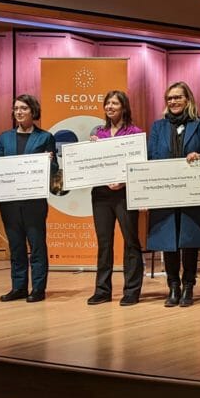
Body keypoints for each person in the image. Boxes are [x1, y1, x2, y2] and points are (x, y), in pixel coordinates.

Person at [147, 81, 200, 307]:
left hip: (192, 192)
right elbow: (151, 157)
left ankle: (188, 286)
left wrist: (199, 157)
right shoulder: (158, 127)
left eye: (178, 97)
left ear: (188, 100)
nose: (173, 101)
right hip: (165, 192)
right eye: (170, 98)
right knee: (169, 241)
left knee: (189, 240)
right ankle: (173, 287)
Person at [0, 94, 57, 303]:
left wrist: (49, 162)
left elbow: (54, 171)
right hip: (9, 202)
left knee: (37, 245)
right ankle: (18, 287)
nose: (19, 112)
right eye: (16, 108)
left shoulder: (45, 137)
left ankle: (38, 288)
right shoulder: (4, 138)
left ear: (33, 111)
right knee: (16, 246)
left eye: (24, 108)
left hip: (34, 202)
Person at [85, 90, 145, 306]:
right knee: (104, 243)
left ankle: (132, 290)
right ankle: (102, 290)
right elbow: (91, 166)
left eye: (114, 103)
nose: (110, 107)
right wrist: (89, 150)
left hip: (124, 194)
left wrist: (124, 181)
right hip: (100, 195)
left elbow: (138, 166)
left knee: (130, 242)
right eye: (107, 103)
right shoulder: (97, 133)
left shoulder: (134, 133)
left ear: (124, 107)